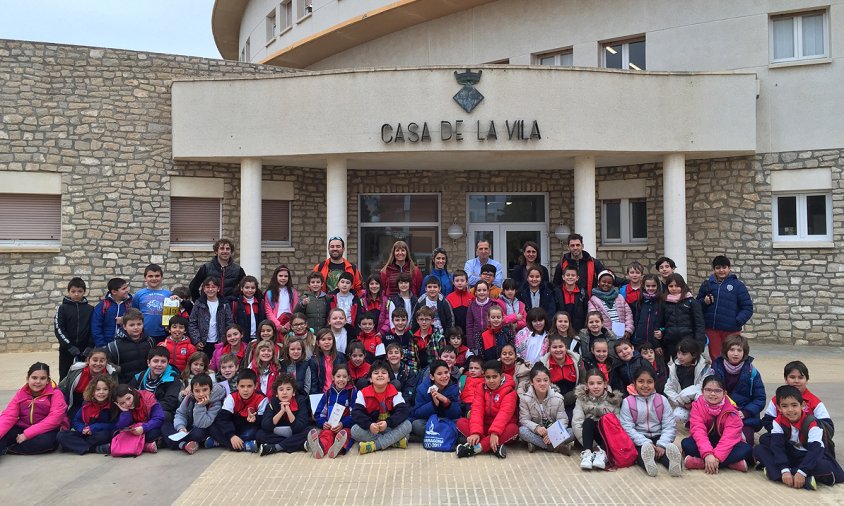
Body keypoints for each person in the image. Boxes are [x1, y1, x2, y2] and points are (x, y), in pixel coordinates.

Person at [753, 385, 844, 489]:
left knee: (826, 467)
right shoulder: (778, 421)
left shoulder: (813, 423)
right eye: (785, 406)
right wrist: (785, 469)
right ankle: (796, 477)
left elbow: (815, 451)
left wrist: (802, 472)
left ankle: (778, 473)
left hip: (809, 455)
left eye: (794, 405)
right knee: (759, 449)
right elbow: (777, 447)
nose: (790, 410)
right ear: (779, 408)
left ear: (803, 405)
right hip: (792, 454)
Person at [619, 367, 683, 477]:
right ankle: (649, 465)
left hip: (659, 436)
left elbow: (669, 425)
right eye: (640, 381)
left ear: (655, 383)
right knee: (640, 455)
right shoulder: (628, 402)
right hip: (640, 439)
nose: (645, 385)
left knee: (666, 454)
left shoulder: (662, 400)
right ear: (634, 383)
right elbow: (627, 427)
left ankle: (675, 465)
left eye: (649, 382)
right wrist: (645, 442)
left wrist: (662, 444)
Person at [682, 375, 753, 473]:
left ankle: (700, 463)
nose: (712, 394)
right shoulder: (697, 406)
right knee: (686, 443)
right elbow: (698, 431)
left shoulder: (731, 410)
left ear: (724, 393)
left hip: (726, 444)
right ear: (702, 391)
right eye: (708, 390)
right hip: (706, 442)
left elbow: (729, 438)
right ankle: (732, 464)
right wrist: (707, 454)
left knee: (746, 449)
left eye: (717, 391)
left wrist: (717, 457)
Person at [710, 333, 766, 446]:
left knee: (745, 443)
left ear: (744, 353)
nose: (735, 354)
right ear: (725, 351)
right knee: (714, 440)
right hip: (720, 415)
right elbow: (708, 394)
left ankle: (739, 460)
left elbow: (760, 398)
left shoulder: (752, 372)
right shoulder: (715, 369)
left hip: (744, 417)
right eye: (732, 349)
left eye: (739, 350)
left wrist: (745, 412)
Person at [0, 363, 67, 455]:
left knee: (45, 443)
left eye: (43, 378)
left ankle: (8, 449)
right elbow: (9, 415)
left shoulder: (56, 394)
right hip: (23, 427)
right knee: (4, 434)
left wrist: (27, 434)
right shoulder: (21, 393)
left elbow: (54, 420)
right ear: (28, 379)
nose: (38, 381)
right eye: (34, 378)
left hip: (46, 430)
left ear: (48, 380)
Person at [456, 360, 518, 459]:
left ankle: (475, 448)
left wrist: (494, 433)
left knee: (513, 429)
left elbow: (504, 414)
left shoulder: (509, 391)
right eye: (488, 377)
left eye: (494, 377)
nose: (491, 381)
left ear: (501, 377)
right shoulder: (480, 388)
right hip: (484, 427)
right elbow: (477, 410)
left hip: (502, 429)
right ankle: (494, 447)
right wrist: (475, 432)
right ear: (484, 377)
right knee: (461, 422)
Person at [697, 255, 754, 359]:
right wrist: (704, 302)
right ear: (714, 269)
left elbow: (747, 307)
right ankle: (717, 375)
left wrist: (737, 321)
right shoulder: (707, 284)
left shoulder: (738, 285)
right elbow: (697, 305)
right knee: (716, 357)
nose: (721, 270)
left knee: (732, 356)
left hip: (731, 330)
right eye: (718, 268)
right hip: (712, 329)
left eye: (724, 267)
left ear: (729, 268)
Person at [351, 360, 413, 454]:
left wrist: (387, 423)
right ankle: (394, 442)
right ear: (370, 379)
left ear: (388, 378)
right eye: (376, 373)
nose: (380, 375)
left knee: (408, 425)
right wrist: (369, 425)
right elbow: (356, 413)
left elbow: (403, 411)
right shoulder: (363, 393)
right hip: (373, 429)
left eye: (383, 373)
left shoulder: (394, 392)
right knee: (354, 430)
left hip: (388, 427)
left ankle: (374, 445)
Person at [761, 361, 833, 436]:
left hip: (807, 440)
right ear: (786, 379)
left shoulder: (814, 401)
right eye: (792, 377)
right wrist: (783, 431)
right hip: (783, 437)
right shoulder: (776, 399)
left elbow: (827, 425)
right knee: (764, 439)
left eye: (801, 377)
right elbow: (767, 420)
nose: (796, 381)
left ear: (807, 380)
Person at [572, 369, 623, 470]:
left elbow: (618, 425)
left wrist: (609, 446)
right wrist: (593, 446)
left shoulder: (613, 399)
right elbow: (576, 423)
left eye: (599, 383)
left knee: (607, 421)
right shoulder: (581, 399)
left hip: (608, 438)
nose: (595, 387)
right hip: (589, 438)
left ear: (605, 384)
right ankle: (587, 454)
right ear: (586, 385)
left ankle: (603, 454)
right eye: (591, 383)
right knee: (588, 422)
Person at [207, 369, 267, 452]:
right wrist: (231, 436)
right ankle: (244, 446)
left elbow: (264, 422)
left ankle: (219, 442)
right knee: (212, 427)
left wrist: (255, 419)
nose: (245, 390)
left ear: (256, 385)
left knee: (257, 434)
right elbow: (222, 419)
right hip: (233, 427)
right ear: (237, 385)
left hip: (249, 428)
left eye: (249, 386)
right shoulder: (231, 397)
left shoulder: (262, 398)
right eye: (242, 386)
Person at [165, 373, 226, 454]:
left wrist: (200, 406)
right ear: (192, 391)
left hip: (201, 428)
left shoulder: (215, 403)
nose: (201, 394)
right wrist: (180, 427)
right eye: (197, 391)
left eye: (205, 390)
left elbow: (202, 424)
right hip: (187, 428)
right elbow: (180, 414)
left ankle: (173, 442)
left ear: (210, 390)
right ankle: (184, 444)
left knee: (198, 433)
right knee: (164, 423)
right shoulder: (189, 398)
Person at [57, 375, 117, 455]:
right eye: (97, 389)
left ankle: (76, 446)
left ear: (110, 391)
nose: (101, 392)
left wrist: (94, 427)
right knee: (61, 436)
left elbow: (115, 425)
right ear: (92, 391)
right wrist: (82, 429)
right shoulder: (87, 404)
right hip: (86, 433)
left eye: (105, 389)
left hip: (100, 433)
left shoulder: (112, 405)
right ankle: (94, 449)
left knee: (104, 435)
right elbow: (76, 421)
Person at [518, 363, 570, 454]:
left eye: (545, 380)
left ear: (550, 381)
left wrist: (553, 433)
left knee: (571, 431)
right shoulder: (525, 398)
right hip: (537, 433)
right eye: (538, 381)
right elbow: (524, 419)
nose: (542, 383)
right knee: (522, 431)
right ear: (531, 382)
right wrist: (537, 428)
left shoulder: (558, 398)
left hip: (553, 432)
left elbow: (563, 419)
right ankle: (555, 447)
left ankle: (537, 445)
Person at [256, 373, 313, 456]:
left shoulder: (300, 401)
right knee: (259, 434)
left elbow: (299, 427)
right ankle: (298, 445)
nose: (285, 392)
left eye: (288, 389)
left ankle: (275, 447)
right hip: (278, 432)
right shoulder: (273, 402)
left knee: (309, 432)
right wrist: (281, 411)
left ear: (293, 392)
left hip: (294, 432)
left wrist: (288, 411)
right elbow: (266, 425)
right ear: (276, 393)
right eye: (281, 389)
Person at [309, 364, 356, 459]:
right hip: (330, 426)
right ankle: (320, 449)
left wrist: (343, 423)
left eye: (344, 377)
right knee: (326, 435)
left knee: (345, 434)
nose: (341, 379)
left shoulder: (352, 392)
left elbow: (355, 414)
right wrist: (323, 423)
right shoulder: (328, 393)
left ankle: (338, 449)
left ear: (348, 378)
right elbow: (319, 413)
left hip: (344, 426)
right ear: (333, 377)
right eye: (338, 376)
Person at [410, 359, 461, 443]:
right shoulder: (423, 388)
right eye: (439, 374)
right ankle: (447, 438)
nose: (444, 376)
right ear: (432, 376)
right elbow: (417, 413)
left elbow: (457, 413)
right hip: (429, 421)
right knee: (416, 425)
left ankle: (432, 438)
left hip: (446, 420)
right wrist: (433, 404)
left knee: (460, 423)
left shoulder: (453, 387)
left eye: (446, 372)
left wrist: (446, 402)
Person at [657, 273, 706, 361]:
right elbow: (661, 324)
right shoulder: (664, 303)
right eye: (671, 286)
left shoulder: (691, 302)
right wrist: (662, 334)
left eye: (677, 286)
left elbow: (699, 325)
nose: (674, 288)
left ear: (682, 286)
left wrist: (699, 344)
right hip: (671, 342)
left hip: (689, 341)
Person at [59, 347, 117, 419]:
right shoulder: (77, 371)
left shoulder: (111, 374)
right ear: (88, 360)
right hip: (76, 402)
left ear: (106, 362)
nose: (98, 363)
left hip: (100, 405)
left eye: (102, 361)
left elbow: (114, 394)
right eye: (95, 360)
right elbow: (62, 388)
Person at [54, 277, 94, 380]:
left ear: (84, 292)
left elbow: (93, 329)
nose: (76, 294)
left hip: (84, 350)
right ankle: (63, 396)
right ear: (68, 292)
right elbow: (59, 329)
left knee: (84, 376)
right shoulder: (62, 308)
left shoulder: (90, 309)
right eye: (73, 291)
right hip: (67, 349)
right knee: (65, 376)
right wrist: (69, 346)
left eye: (80, 291)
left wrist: (89, 347)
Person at [129, 346, 182, 423]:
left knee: (164, 415)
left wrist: (147, 409)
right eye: (156, 361)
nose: (159, 364)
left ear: (168, 363)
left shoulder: (173, 379)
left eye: (163, 362)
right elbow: (129, 392)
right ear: (148, 362)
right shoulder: (139, 377)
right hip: (139, 410)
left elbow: (170, 402)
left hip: (159, 411)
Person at [664, 338, 712, 422]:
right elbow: (668, 388)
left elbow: (704, 387)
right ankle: (691, 420)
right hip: (683, 403)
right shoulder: (674, 368)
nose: (679, 356)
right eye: (678, 353)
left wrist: (693, 403)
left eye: (684, 354)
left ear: (693, 355)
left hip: (700, 403)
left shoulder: (704, 367)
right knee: (677, 416)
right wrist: (683, 403)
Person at [189, 277, 234, 361]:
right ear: (204, 289)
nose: (210, 289)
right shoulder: (199, 303)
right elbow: (192, 322)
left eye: (213, 287)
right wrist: (196, 340)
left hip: (219, 342)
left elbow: (229, 323)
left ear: (218, 289)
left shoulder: (224, 304)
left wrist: (225, 340)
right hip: (203, 342)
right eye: (207, 286)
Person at [540, 335, 586, 417]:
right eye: (554, 347)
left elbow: (584, 382)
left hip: (574, 399)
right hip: (551, 401)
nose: (558, 350)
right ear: (549, 349)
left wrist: (572, 396)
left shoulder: (577, 361)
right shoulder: (543, 364)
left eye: (561, 346)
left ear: (566, 347)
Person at [107, 308, 155, 384]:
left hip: (146, 384)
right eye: (132, 325)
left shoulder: (150, 341)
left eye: (139, 324)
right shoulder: (114, 346)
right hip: (125, 386)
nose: (136, 327)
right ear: (125, 326)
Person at [113, 384, 165, 453]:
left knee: (153, 434)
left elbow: (159, 418)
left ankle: (137, 446)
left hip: (148, 428)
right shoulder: (122, 408)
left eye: (128, 398)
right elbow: (121, 426)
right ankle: (143, 446)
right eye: (122, 403)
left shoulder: (148, 397)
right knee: (117, 434)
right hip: (135, 431)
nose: (128, 403)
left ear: (132, 393)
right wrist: (125, 412)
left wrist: (143, 428)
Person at [552, 233, 607, 298]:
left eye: (578, 245)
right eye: (572, 245)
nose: (575, 248)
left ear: (582, 246)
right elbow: (556, 285)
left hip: (589, 302)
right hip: (568, 303)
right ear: (568, 247)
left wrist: (622, 282)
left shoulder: (593, 262)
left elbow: (606, 275)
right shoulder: (562, 264)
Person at [588, 270, 634, 339]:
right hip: (604, 336)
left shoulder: (619, 297)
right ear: (598, 282)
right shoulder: (593, 300)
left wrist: (628, 330)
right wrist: (604, 332)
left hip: (622, 334)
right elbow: (593, 317)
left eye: (609, 283)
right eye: (603, 282)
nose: (606, 284)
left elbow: (628, 314)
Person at [133, 264, 172, 341]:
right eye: (150, 276)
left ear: (161, 277)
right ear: (145, 278)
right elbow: (134, 313)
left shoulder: (169, 294)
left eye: (157, 276)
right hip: (144, 333)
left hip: (164, 333)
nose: (154, 278)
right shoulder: (139, 294)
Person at [465, 280, 506, 355]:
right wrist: (471, 345)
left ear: (488, 292)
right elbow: (469, 325)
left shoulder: (493, 304)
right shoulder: (472, 306)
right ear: (475, 292)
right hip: (476, 340)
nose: (481, 292)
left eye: (484, 290)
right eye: (479, 290)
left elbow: (500, 321)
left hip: (492, 338)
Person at [91, 277, 132, 347]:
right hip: (106, 344)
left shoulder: (131, 304)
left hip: (125, 344)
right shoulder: (103, 305)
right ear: (114, 292)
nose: (127, 290)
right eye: (123, 289)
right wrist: (102, 345)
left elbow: (137, 320)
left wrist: (123, 320)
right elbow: (96, 327)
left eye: (126, 288)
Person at [327, 272, 363, 341]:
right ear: (338, 284)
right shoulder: (331, 297)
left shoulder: (355, 298)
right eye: (342, 282)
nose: (344, 285)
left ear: (351, 285)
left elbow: (358, 316)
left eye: (347, 283)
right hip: (334, 327)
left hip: (350, 328)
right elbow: (328, 313)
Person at [632, 274, 664, 351]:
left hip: (655, 343)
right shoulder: (639, 303)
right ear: (643, 286)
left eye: (653, 286)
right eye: (648, 286)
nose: (650, 288)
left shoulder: (662, 303)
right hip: (640, 343)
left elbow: (665, 323)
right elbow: (636, 322)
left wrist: (662, 331)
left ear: (657, 286)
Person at [264, 265, 299, 334]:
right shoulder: (269, 293)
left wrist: (288, 325)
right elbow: (268, 311)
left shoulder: (293, 292)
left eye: (286, 276)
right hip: (275, 325)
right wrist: (278, 326)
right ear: (276, 277)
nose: (283, 278)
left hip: (290, 325)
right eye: (280, 276)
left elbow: (296, 309)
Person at [311, 328, 347, 394]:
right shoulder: (314, 360)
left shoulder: (340, 357)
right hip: (322, 394)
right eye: (323, 339)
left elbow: (345, 376)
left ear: (333, 341)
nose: (327, 342)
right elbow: (314, 382)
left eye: (329, 339)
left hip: (339, 392)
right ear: (317, 343)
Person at [230, 275, 265, 343]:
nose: (250, 290)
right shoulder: (235, 303)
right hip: (242, 339)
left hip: (258, 338)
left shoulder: (260, 302)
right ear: (241, 288)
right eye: (247, 287)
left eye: (253, 288)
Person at [557, 264, 588, 332]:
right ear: (563, 277)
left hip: (579, 328)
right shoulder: (557, 292)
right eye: (568, 275)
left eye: (573, 275)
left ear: (577, 278)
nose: (570, 277)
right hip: (561, 328)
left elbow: (586, 310)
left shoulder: (583, 293)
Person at [446, 270, 472, 336]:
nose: (460, 283)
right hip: (454, 332)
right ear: (453, 282)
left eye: (462, 281)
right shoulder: (449, 298)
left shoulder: (472, 297)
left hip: (468, 331)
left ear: (467, 282)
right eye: (457, 281)